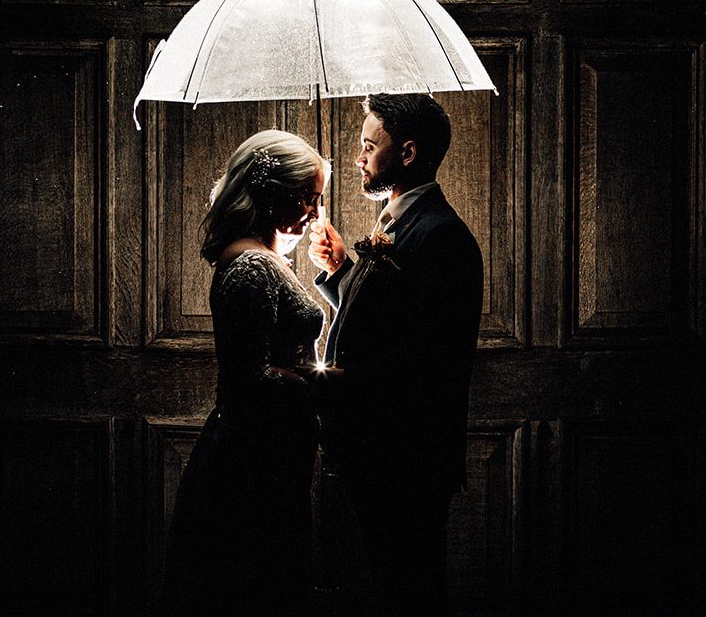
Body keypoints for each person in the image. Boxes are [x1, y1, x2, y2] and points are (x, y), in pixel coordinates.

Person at [307, 93, 483, 616]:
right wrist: (342, 272)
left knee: (408, 589)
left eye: (368, 146)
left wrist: (332, 381)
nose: (358, 158)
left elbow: (424, 360)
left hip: (406, 456)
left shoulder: (441, 237)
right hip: (380, 451)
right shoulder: (398, 222)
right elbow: (386, 324)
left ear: (407, 153)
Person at [162, 129, 329, 616]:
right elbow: (246, 383)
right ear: (272, 193)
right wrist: (324, 381)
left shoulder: (264, 257)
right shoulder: (252, 267)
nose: (315, 214)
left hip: (271, 453)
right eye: (308, 199)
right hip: (253, 461)